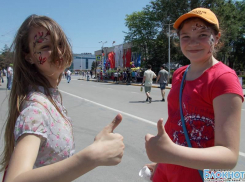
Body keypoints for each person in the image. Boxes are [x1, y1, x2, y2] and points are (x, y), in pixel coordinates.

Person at [0, 15, 124, 182]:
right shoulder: (36, 108)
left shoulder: (50, 96)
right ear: (28, 57)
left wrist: (96, 147)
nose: (58, 51)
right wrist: (91, 157)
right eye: (45, 46)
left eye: (60, 43)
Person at [144, 8, 244, 182]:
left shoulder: (224, 79)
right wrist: (161, 162)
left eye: (203, 35)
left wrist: (169, 153)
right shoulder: (179, 74)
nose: (193, 43)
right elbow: (175, 123)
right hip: (165, 171)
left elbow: (229, 157)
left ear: (217, 38)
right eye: (186, 37)